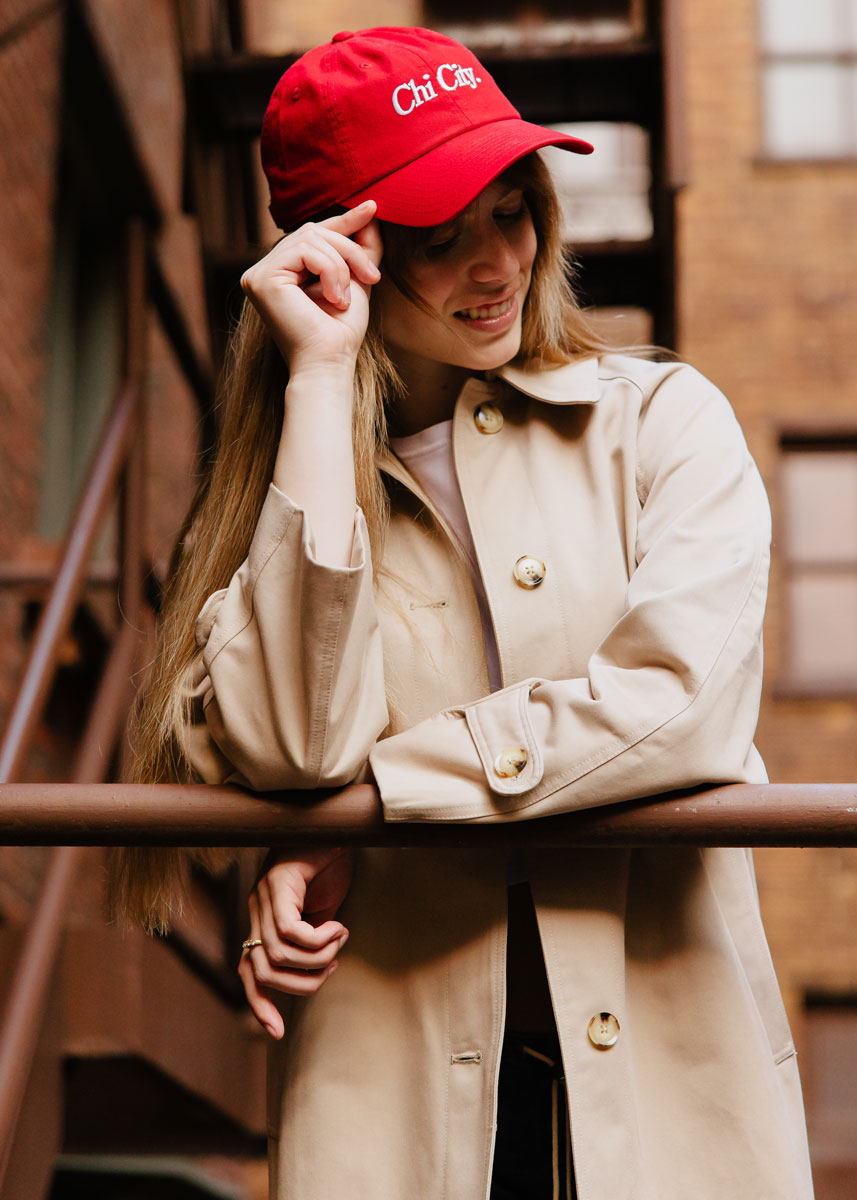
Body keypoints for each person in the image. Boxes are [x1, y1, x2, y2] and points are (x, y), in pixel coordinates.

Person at [113, 26, 814, 1200]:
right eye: (438, 237)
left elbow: (676, 713)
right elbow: (293, 746)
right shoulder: (285, 500)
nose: (495, 263)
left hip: (668, 1098)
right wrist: (322, 378)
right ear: (340, 255)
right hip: (399, 1114)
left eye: (510, 209)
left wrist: (369, 809)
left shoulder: (662, 420)